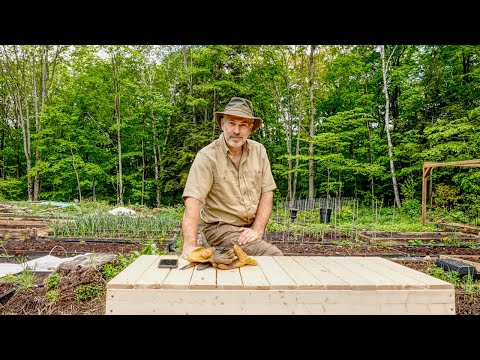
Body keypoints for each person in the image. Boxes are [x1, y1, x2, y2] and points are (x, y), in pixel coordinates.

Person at [181, 96, 283, 260]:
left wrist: (257, 229)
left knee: (249, 264)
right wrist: (189, 246)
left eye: (243, 125)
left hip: (248, 228)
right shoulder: (207, 156)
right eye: (231, 123)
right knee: (272, 256)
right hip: (220, 228)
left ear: (250, 128)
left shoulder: (259, 151)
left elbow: (267, 192)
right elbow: (193, 200)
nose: (236, 130)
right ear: (222, 124)